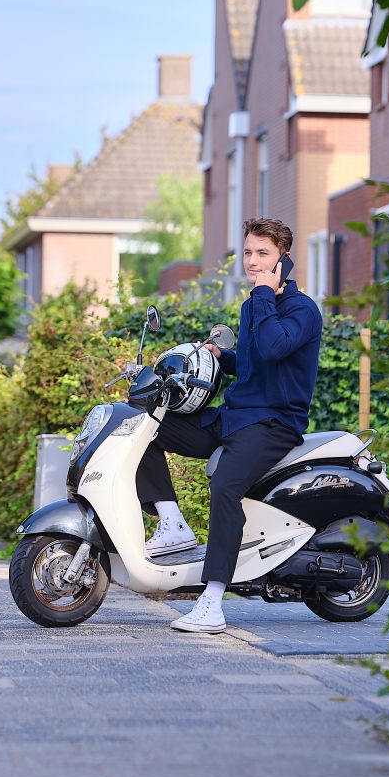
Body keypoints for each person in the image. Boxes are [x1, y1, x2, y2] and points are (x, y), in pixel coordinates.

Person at [135, 217, 323, 634]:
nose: (252, 261)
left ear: (283, 259)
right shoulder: (253, 305)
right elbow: (257, 365)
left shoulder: (302, 310)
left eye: (263, 254)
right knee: (144, 428)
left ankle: (213, 601)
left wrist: (264, 294)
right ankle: (171, 523)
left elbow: (274, 348)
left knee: (225, 486)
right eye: (249, 252)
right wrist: (225, 358)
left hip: (274, 424)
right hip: (236, 417)